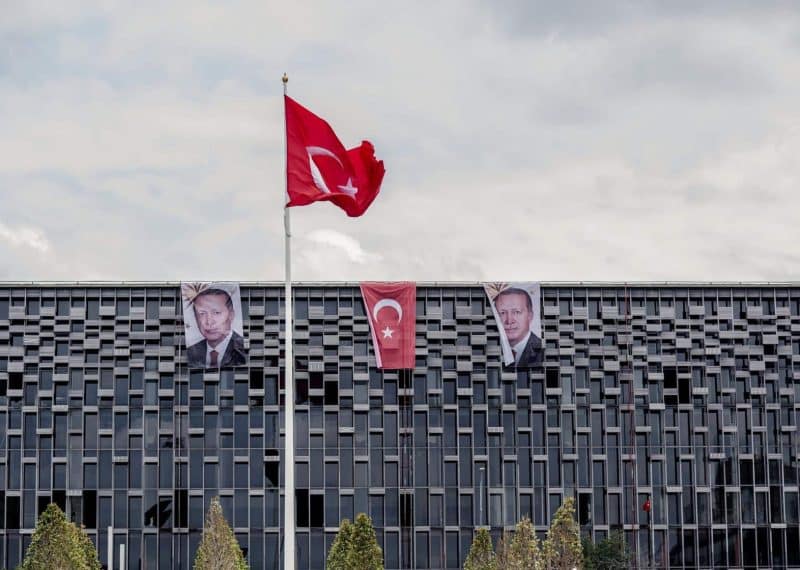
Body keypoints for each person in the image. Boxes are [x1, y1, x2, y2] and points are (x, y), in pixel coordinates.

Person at [186, 288, 246, 368]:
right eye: (202, 313)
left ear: (231, 315)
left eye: (216, 312)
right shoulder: (191, 352)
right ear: (195, 318)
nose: (209, 322)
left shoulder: (242, 349)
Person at [494, 287, 543, 367]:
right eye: (502, 313)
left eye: (516, 312)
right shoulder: (491, 350)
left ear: (530, 316)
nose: (509, 321)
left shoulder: (542, 350)